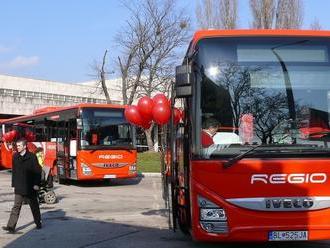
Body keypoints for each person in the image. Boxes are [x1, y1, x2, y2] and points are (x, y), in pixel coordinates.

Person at [2, 138, 42, 233]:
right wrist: (14, 184)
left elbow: (37, 171)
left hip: (30, 186)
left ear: (25, 146)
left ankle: (38, 222)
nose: (17, 147)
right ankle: (11, 226)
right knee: (16, 206)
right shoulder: (15, 156)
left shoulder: (32, 157)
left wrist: (36, 184)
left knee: (34, 206)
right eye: (17, 145)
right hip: (19, 186)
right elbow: (14, 172)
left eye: (19, 146)